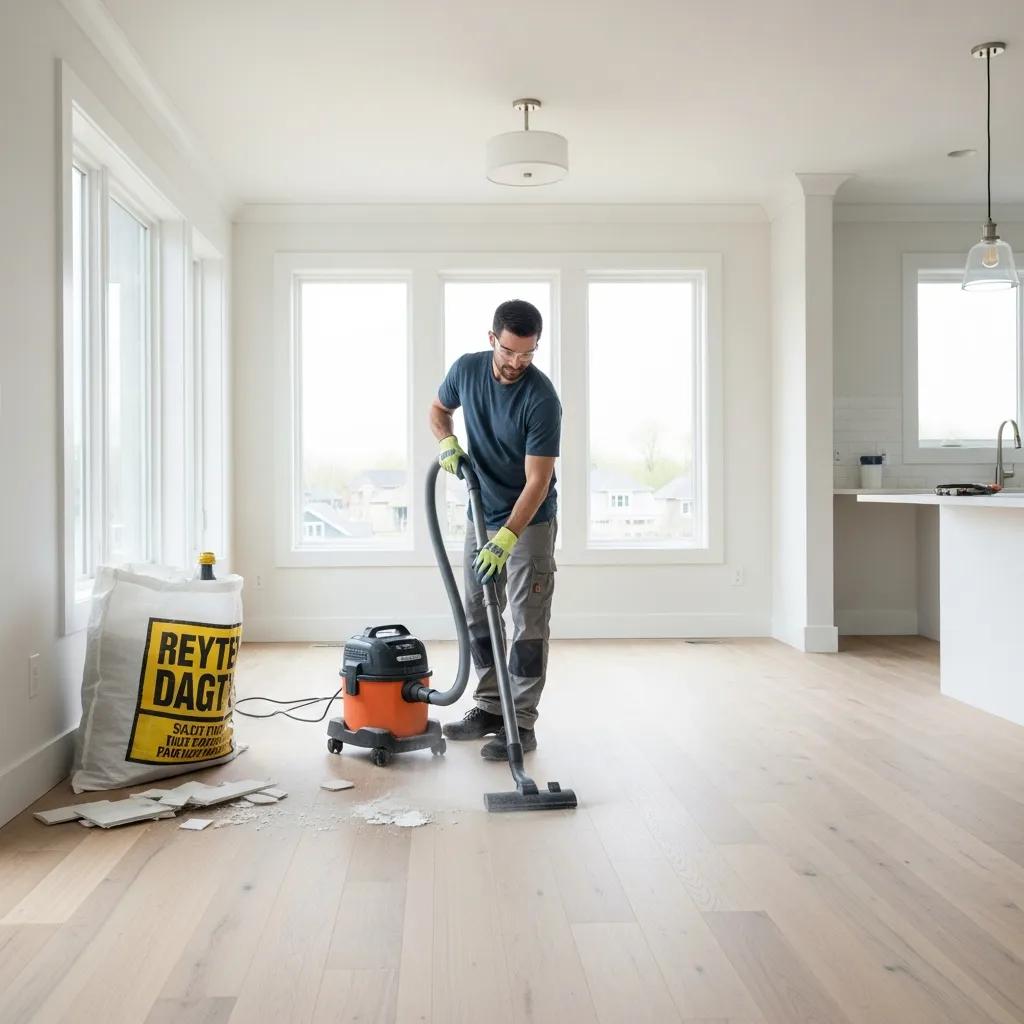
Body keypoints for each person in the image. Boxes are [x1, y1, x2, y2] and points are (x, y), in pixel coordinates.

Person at [429, 299, 561, 759]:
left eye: (527, 354)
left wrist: (507, 538)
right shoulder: (466, 370)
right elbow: (438, 409)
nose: (516, 363)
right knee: (478, 611)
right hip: (480, 513)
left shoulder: (541, 399)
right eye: (509, 352)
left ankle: (520, 722)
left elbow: (538, 481)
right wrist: (447, 441)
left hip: (529, 521)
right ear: (492, 340)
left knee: (526, 622)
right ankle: (488, 705)